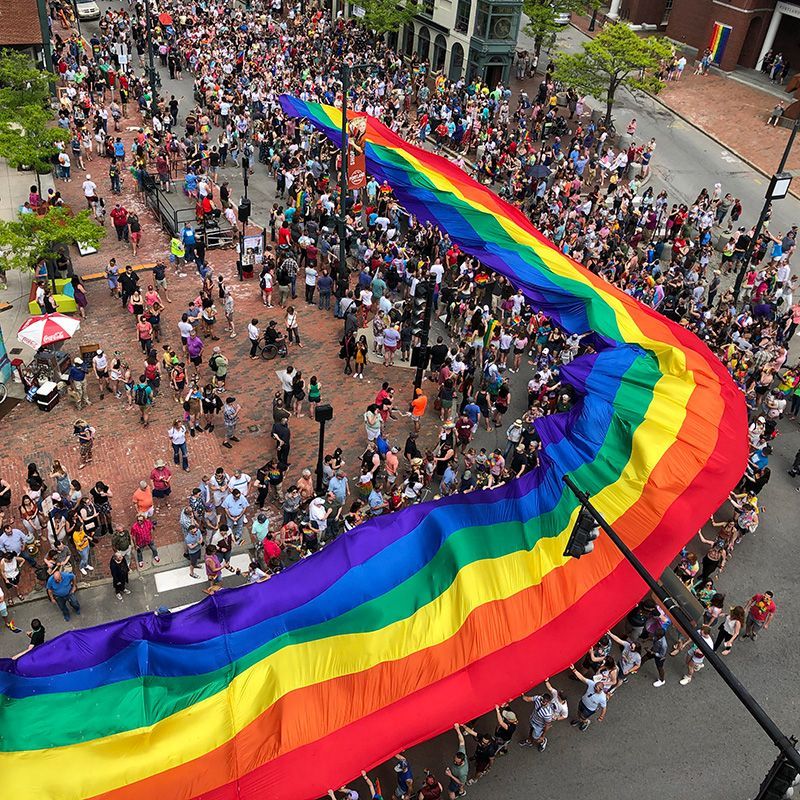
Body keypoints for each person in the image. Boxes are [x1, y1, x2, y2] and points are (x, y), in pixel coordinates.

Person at [519, 678, 567, 751]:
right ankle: (529, 741)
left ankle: (542, 741)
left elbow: (547, 725)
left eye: (543, 702)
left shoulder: (548, 714)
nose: (541, 702)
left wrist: (543, 735)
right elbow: (527, 699)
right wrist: (521, 694)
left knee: (537, 738)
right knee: (531, 729)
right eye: (541, 700)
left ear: (548, 702)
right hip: (533, 719)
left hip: (539, 725)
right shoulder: (538, 698)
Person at [568, 663, 608, 731]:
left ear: (601, 690)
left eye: (596, 689)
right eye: (595, 687)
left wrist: (601, 716)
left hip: (589, 709)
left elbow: (604, 708)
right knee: (579, 712)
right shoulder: (592, 684)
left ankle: (586, 722)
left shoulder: (602, 698)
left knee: (583, 717)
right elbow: (582, 678)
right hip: (583, 702)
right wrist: (574, 670)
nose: (594, 689)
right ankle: (579, 719)